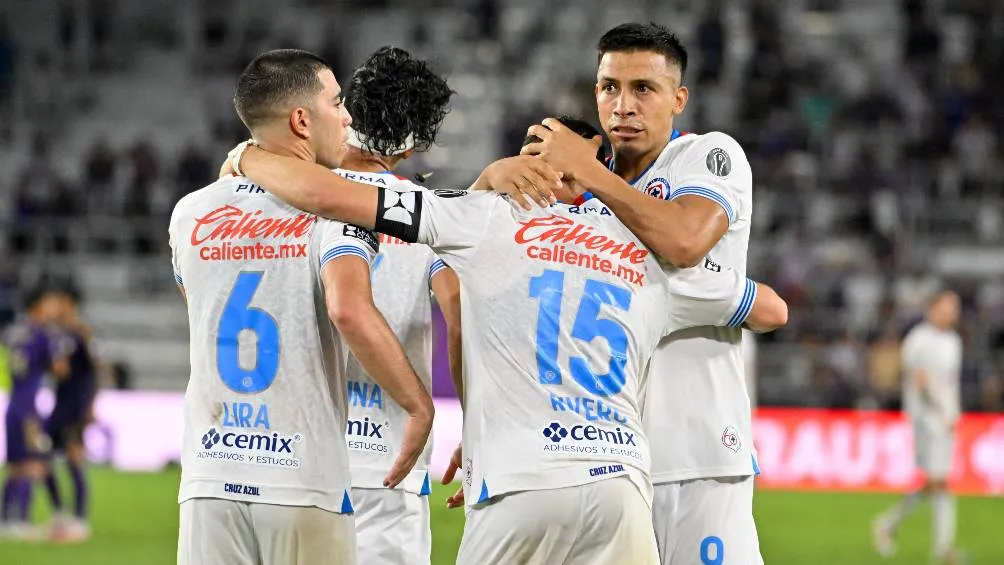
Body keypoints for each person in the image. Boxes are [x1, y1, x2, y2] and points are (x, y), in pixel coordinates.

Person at [220, 118, 788, 564]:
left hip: (519, 482)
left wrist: (251, 156)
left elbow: (332, 197)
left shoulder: (478, 220)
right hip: (618, 483)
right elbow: (768, 307)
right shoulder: (639, 251)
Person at [511, 22, 763, 564]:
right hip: (599, 464)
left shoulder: (707, 156)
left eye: (643, 89)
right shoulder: (575, 199)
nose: (622, 105)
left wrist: (589, 172)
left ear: (679, 99)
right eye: (608, 87)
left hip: (694, 459)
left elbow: (685, 238)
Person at [170, 49, 434, 565]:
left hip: (209, 472)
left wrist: (246, 158)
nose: (348, 117)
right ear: (301, 120)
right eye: (337, 103)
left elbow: (198, 306)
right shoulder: (335, 210)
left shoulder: (191, 211)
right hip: (301, 476)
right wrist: (418, 405)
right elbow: (348, 310)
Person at [336, 46, 461, 565]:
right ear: (412, 145)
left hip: (294, 458)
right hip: (389, 457)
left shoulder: (295, 193)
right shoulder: (431, 215)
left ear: (346, 112)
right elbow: (460, 321)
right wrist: (476, 424)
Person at [873, 290, 965, 564]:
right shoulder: (918, 340)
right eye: (949, 307)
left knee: (937, 483)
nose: (953, 313)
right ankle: (943, 550)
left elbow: (950, 383)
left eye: (956, 308)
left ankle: (888, 524)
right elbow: (921, 381)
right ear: (932, 308)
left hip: (946, 419)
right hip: (926, 419)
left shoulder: (953, 340)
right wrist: (942, 411)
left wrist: (953, 413)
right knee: (940, 482)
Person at [1, 286, 67, 540]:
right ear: (39, 305)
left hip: (12, 405)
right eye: (49, 303)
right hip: (29, 408)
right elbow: (60, 370)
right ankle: (22, 520)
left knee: (15, 466)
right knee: (33, 464)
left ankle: (6, 519)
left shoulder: (15, 333)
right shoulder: (43, 336)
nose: (53, 308)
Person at [43, 286, 98, 543]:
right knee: (45, 459)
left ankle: (79, 518)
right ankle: (60, 514)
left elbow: (90, 373)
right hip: (59, 405)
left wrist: (89, 406)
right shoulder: (61, 335)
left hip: (74, 406)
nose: (53, 306)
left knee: (74, 458)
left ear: (68, 303)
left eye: (57, 302)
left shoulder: (79, 335)